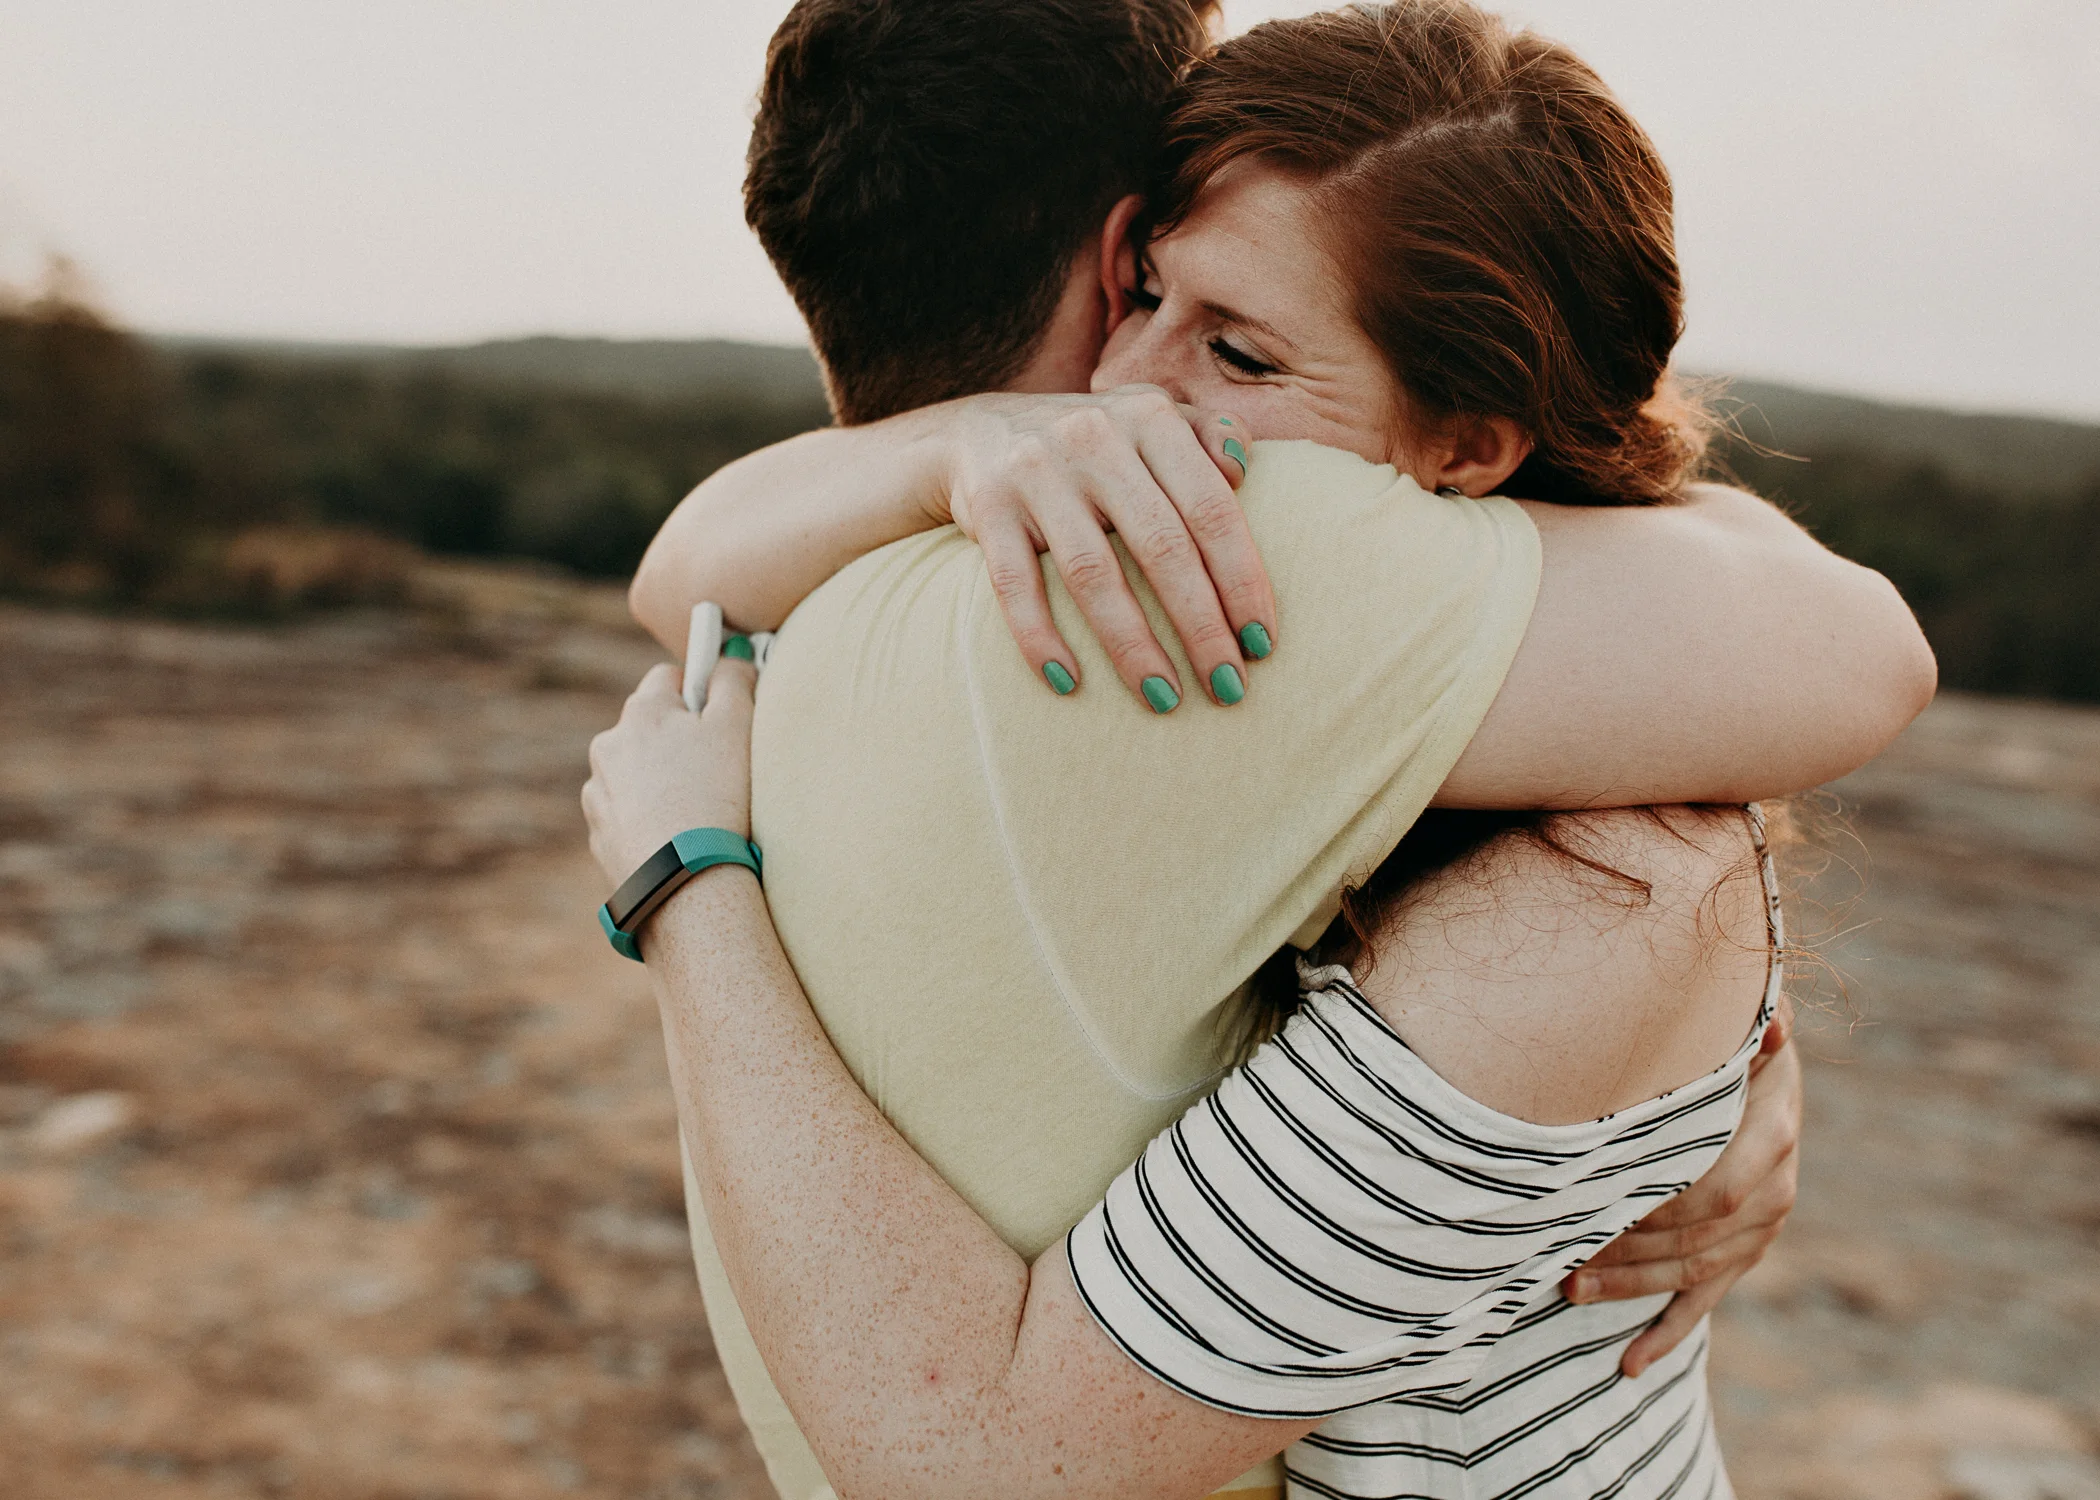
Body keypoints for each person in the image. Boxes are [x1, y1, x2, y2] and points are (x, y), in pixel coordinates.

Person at [613, 2, 1930, 1496]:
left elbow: (1867, 649)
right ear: (1121, 244)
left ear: (1471, 447)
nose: (1127, 391)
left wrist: (687, 880)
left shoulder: (1273, 572)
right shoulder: (1426, 666)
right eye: (1148, 296)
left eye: (1237, 348)